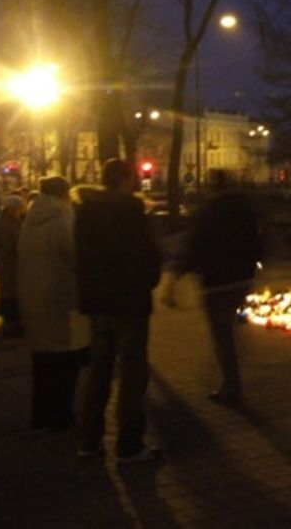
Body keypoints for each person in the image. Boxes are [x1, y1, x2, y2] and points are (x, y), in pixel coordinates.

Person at [74, 158, 162, 463]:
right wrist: (147, 281)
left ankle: (88, 440)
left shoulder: (85, 212)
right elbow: (149, 257)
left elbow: (80, 257)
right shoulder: (132, 212)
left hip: (98, 304)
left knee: (98, 371)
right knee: (132, 373)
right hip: (130, 303)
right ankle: (129, 445)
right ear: (125, 179)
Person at [17, 176, 90, 430]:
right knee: (65, 363)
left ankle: (41, 415)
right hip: (61, 300)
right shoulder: (63, 220)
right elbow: (77, 258)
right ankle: (61, 416)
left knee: (43, 363)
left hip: (33, 300)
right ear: (64, 194)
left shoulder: (29, 222)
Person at [185, 172, 262, 406]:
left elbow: (195, 242)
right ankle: (232, 379)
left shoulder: (208, 211)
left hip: (216, 282)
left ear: (212, 187)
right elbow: (258, 238)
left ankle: (231, 384)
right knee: (227, 331)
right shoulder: (245, 208)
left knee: (222, 335)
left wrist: (181, 271)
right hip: (240, 279)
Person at [0, 192, 26, 338]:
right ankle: (11, 323)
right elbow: (10, 243)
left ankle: (12, 322)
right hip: (8, 263)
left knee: (9, 292)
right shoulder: (7, 223)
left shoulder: (6, 220)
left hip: (7, 263)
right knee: (9, 293)